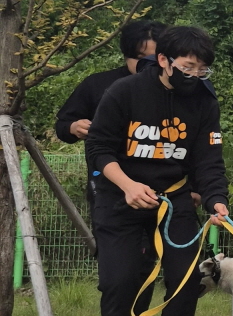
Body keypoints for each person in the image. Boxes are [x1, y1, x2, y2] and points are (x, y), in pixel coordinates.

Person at [86, 26, 229, 316]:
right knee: (119, 281)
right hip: (121, 199)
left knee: (185, 279)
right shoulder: (124, 92)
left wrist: (216, 201)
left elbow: (209, 162)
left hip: (174, 202)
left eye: (202, 70)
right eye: (188, 67)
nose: (195, 76)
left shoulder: (203, 102)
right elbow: (99, 150)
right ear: (163, 60)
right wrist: (129, 187)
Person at [55, 20, 165, 206]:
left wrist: (194, 187)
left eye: (154, 59)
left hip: (165, 187)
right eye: (139, 58)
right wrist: (74, 127)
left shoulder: (177, 89)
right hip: (109, 187)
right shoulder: (97, 84)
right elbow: (62, 125)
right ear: (125, 55)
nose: (147, 64)